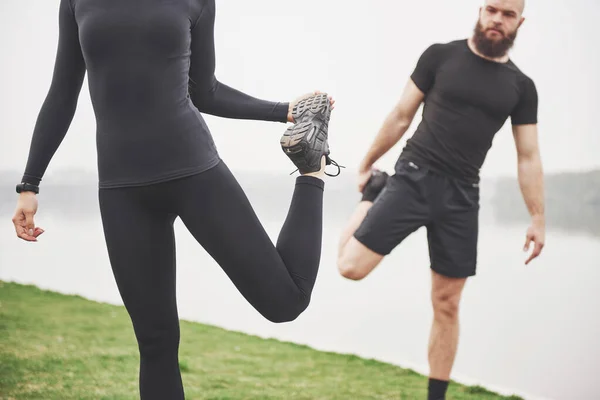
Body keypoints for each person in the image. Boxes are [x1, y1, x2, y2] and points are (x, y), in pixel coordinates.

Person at [11, 0, 338, 398]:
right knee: (155, 342)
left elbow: (206, 91)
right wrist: (30, 184)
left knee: (284, 303)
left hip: (193, 171)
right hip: (121, 189)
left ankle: (311, 170)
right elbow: (62, 93)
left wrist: (283, 111)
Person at [336, 0, 544, 399]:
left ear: (520, 21)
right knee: (349, 268)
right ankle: (371, 200)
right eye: (492, 10)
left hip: (462, 196)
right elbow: (401, 115)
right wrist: (367, 163)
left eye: (508, 14)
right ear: (481, 10)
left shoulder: (520, 87)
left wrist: (538, 217)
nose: (498, 20)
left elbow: (529, 156)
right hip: (413, 177)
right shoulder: (440, 56)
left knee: (447, 303)